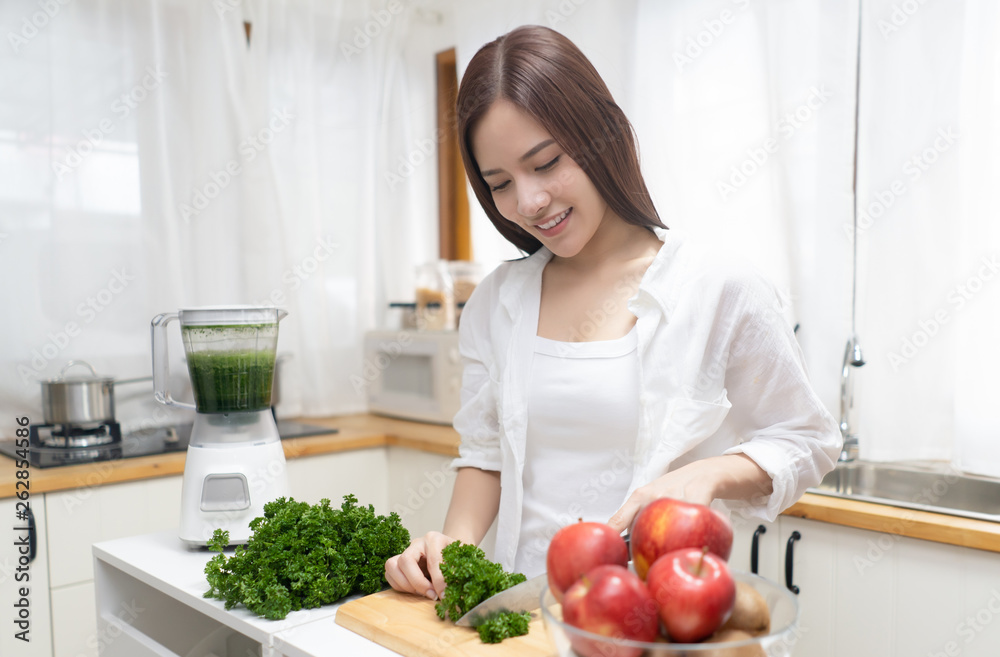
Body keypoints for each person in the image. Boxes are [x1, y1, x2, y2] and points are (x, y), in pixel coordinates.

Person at [384, 25, 840, 600]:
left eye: (546, 163)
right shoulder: (496, 302)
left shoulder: (718, 287)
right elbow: (485, 452)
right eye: (500, 183)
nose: (528, 202)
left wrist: (706, 473)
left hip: (661, 615)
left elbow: (808, 438)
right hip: (520, 618)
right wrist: (452, 544)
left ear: (601, 135)